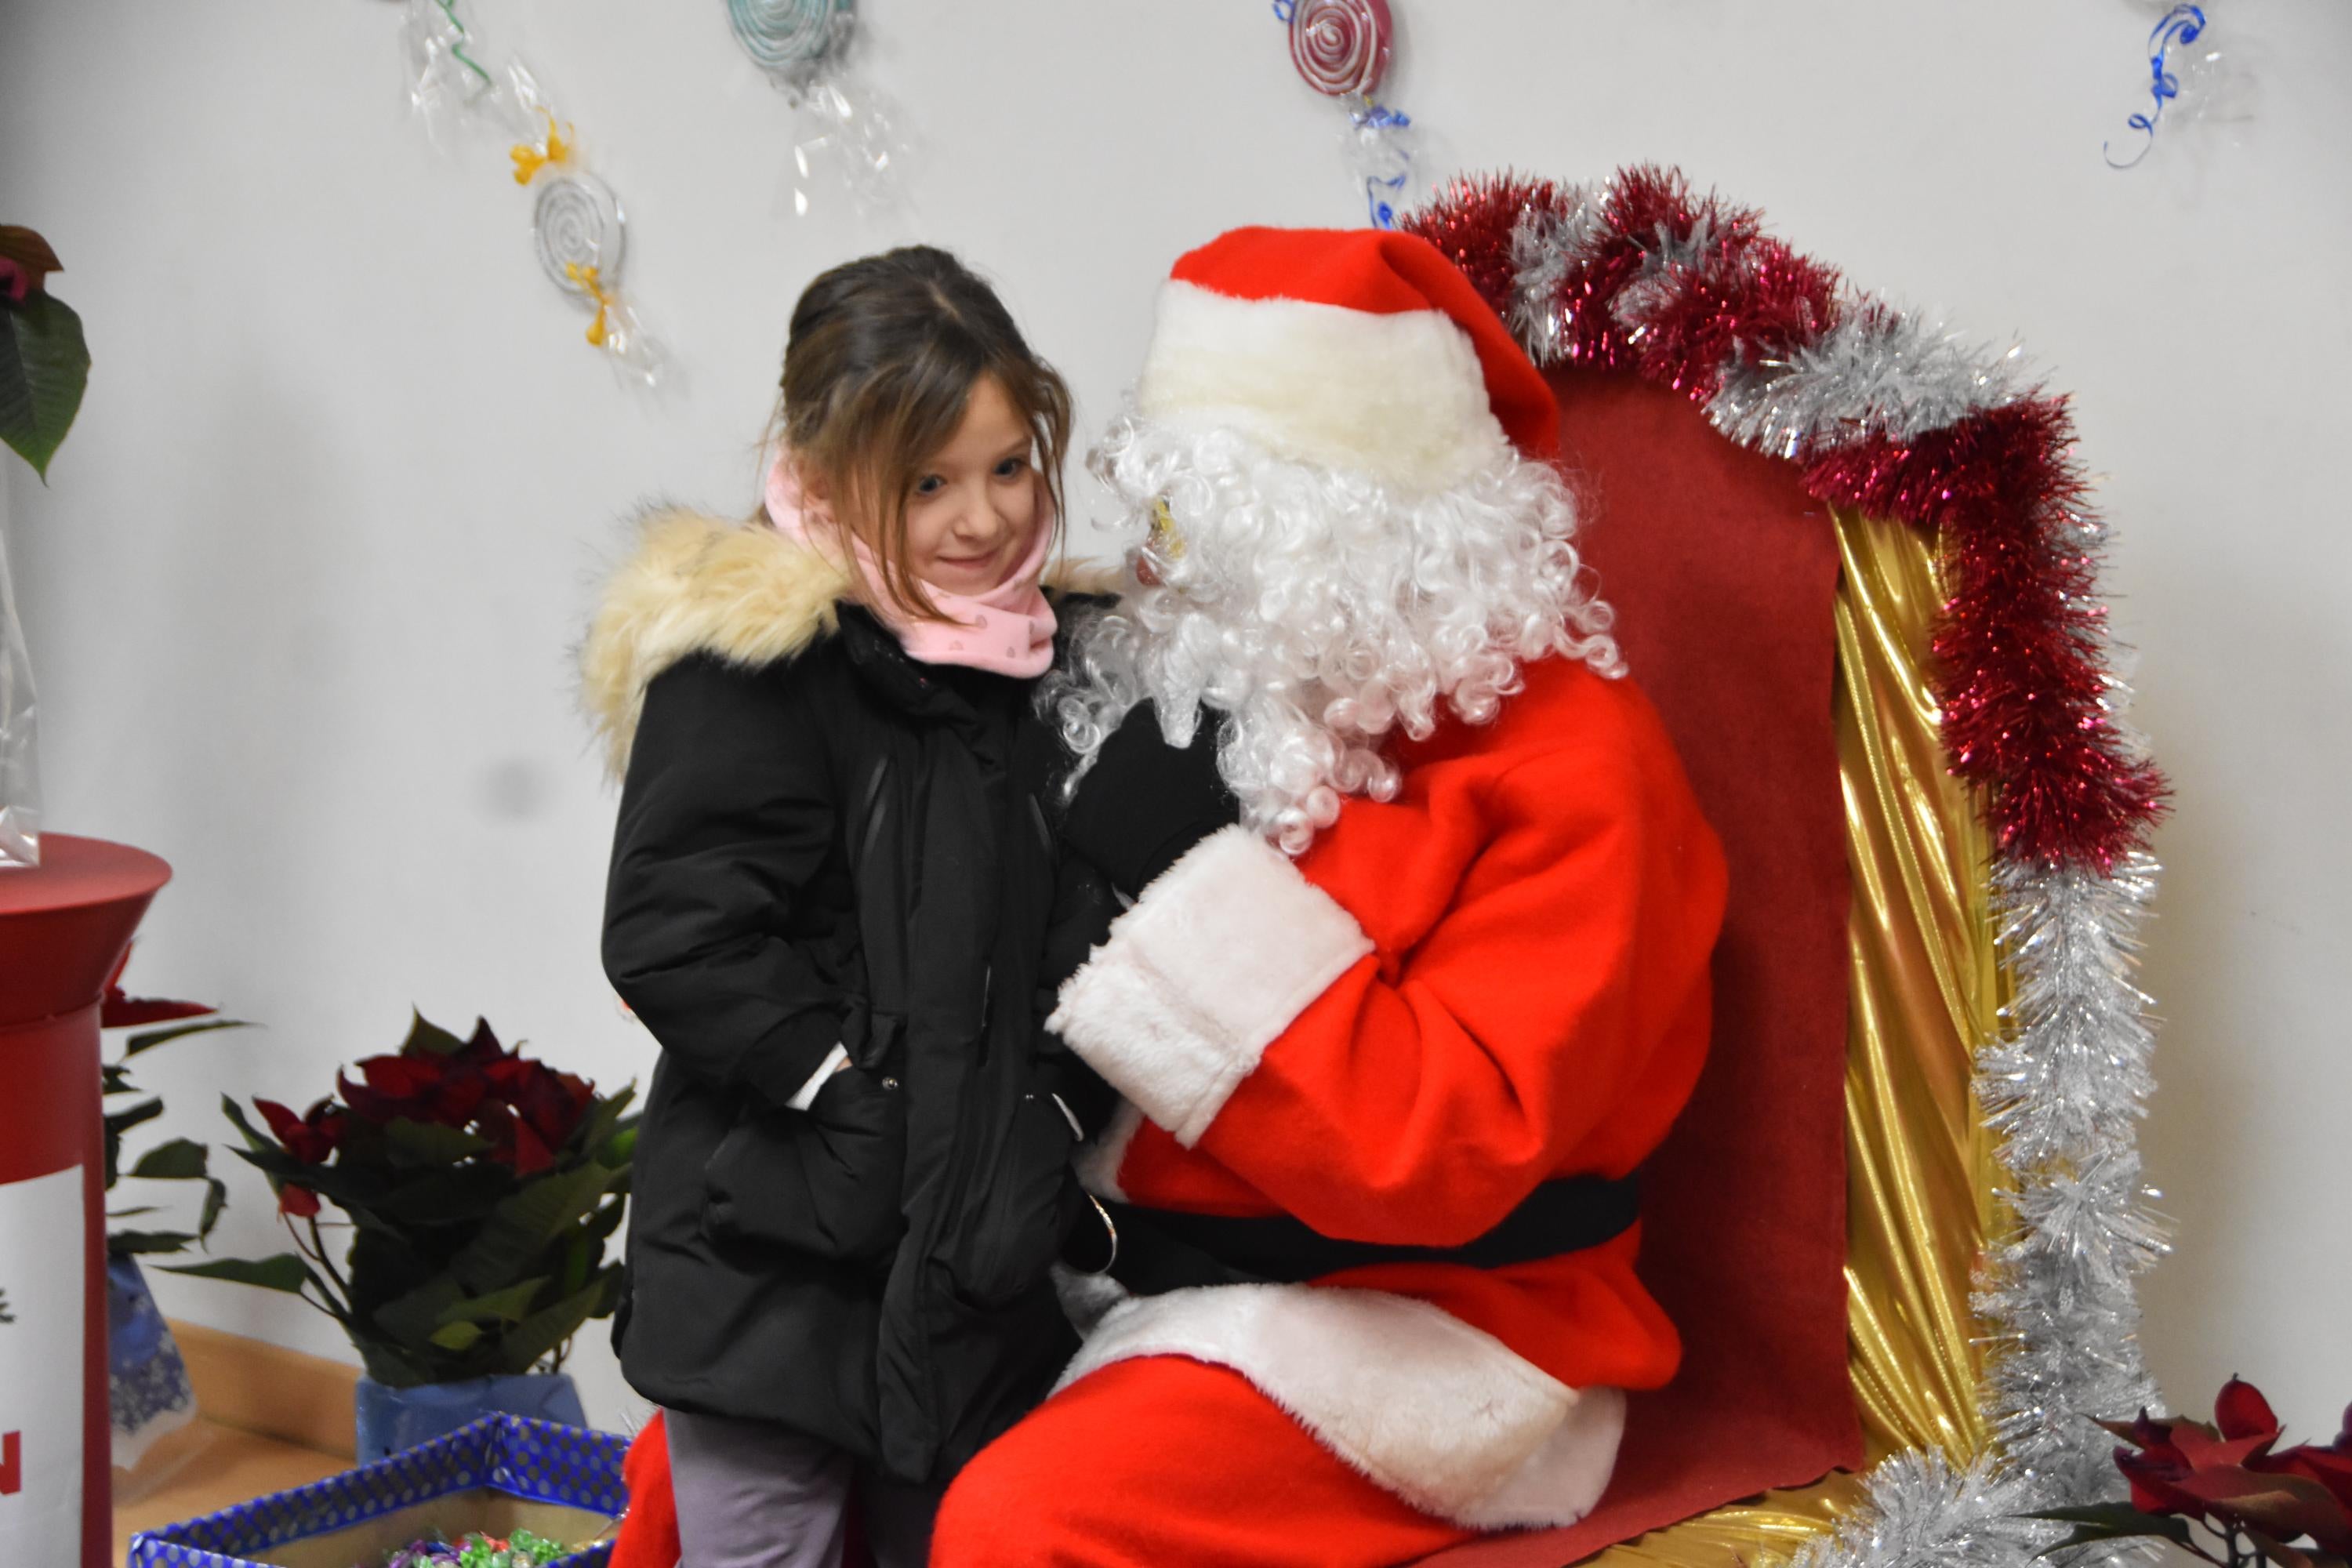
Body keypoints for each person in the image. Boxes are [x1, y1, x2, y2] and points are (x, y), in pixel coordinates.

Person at [928, 227, 1730, 1566]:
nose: (1160, 567)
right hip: (1110, 1268)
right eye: (1158, 513)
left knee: (1024, 1530)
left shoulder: (1580, 765)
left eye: (1203, 523)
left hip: (1435, 1326)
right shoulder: (1222, 692)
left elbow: (1451, 1151)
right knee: (757, 1432)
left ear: (1346, 528)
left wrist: (1182, 890)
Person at [582, 245, 1111, 1568]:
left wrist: (1049, 1110)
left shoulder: (1040, 661)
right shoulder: (759, 660)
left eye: (1006, 465)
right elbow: (675, 927)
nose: (981, 518)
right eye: (928, 482)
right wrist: (836, 1089)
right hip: (777, 1263)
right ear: (825, 478)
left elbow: (1080, 924)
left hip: (971, 1278)